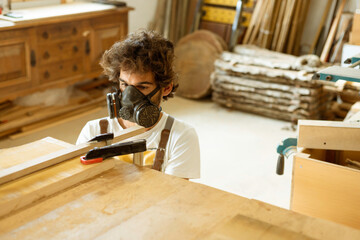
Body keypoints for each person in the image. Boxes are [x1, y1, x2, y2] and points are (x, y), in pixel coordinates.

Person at [76, 30, 200, 179]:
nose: (130, 96)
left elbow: (173, 196)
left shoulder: (181, 136)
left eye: (142, 87)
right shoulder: (94, 131)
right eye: (124, 85)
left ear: (166, 88)